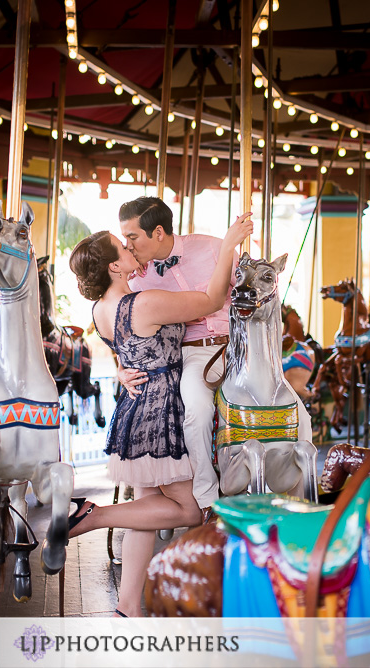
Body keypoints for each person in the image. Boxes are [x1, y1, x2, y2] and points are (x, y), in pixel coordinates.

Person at [66, 211, 254, 617]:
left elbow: (123, 347)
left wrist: (119, 368)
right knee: (188, 509)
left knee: (145, 509)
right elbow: (210, 301)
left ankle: (128, 605)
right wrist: (227, 247)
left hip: (133, 410)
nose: (130, 246)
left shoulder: (102, 309)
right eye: (123, 246)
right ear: (115, 265)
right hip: (160, 408)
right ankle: (94, 517)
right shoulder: (144, 302)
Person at [118, 197, 237, 521]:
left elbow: (252, 291)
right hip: (195, 352)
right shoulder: (136, 279)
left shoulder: (213, 248)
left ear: (158, 232)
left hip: (240, 345)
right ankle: (208, 501)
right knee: (197, 411)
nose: (127, 246)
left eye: (132, 237)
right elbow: (123, 332)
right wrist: (121, 368)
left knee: (292, 407)